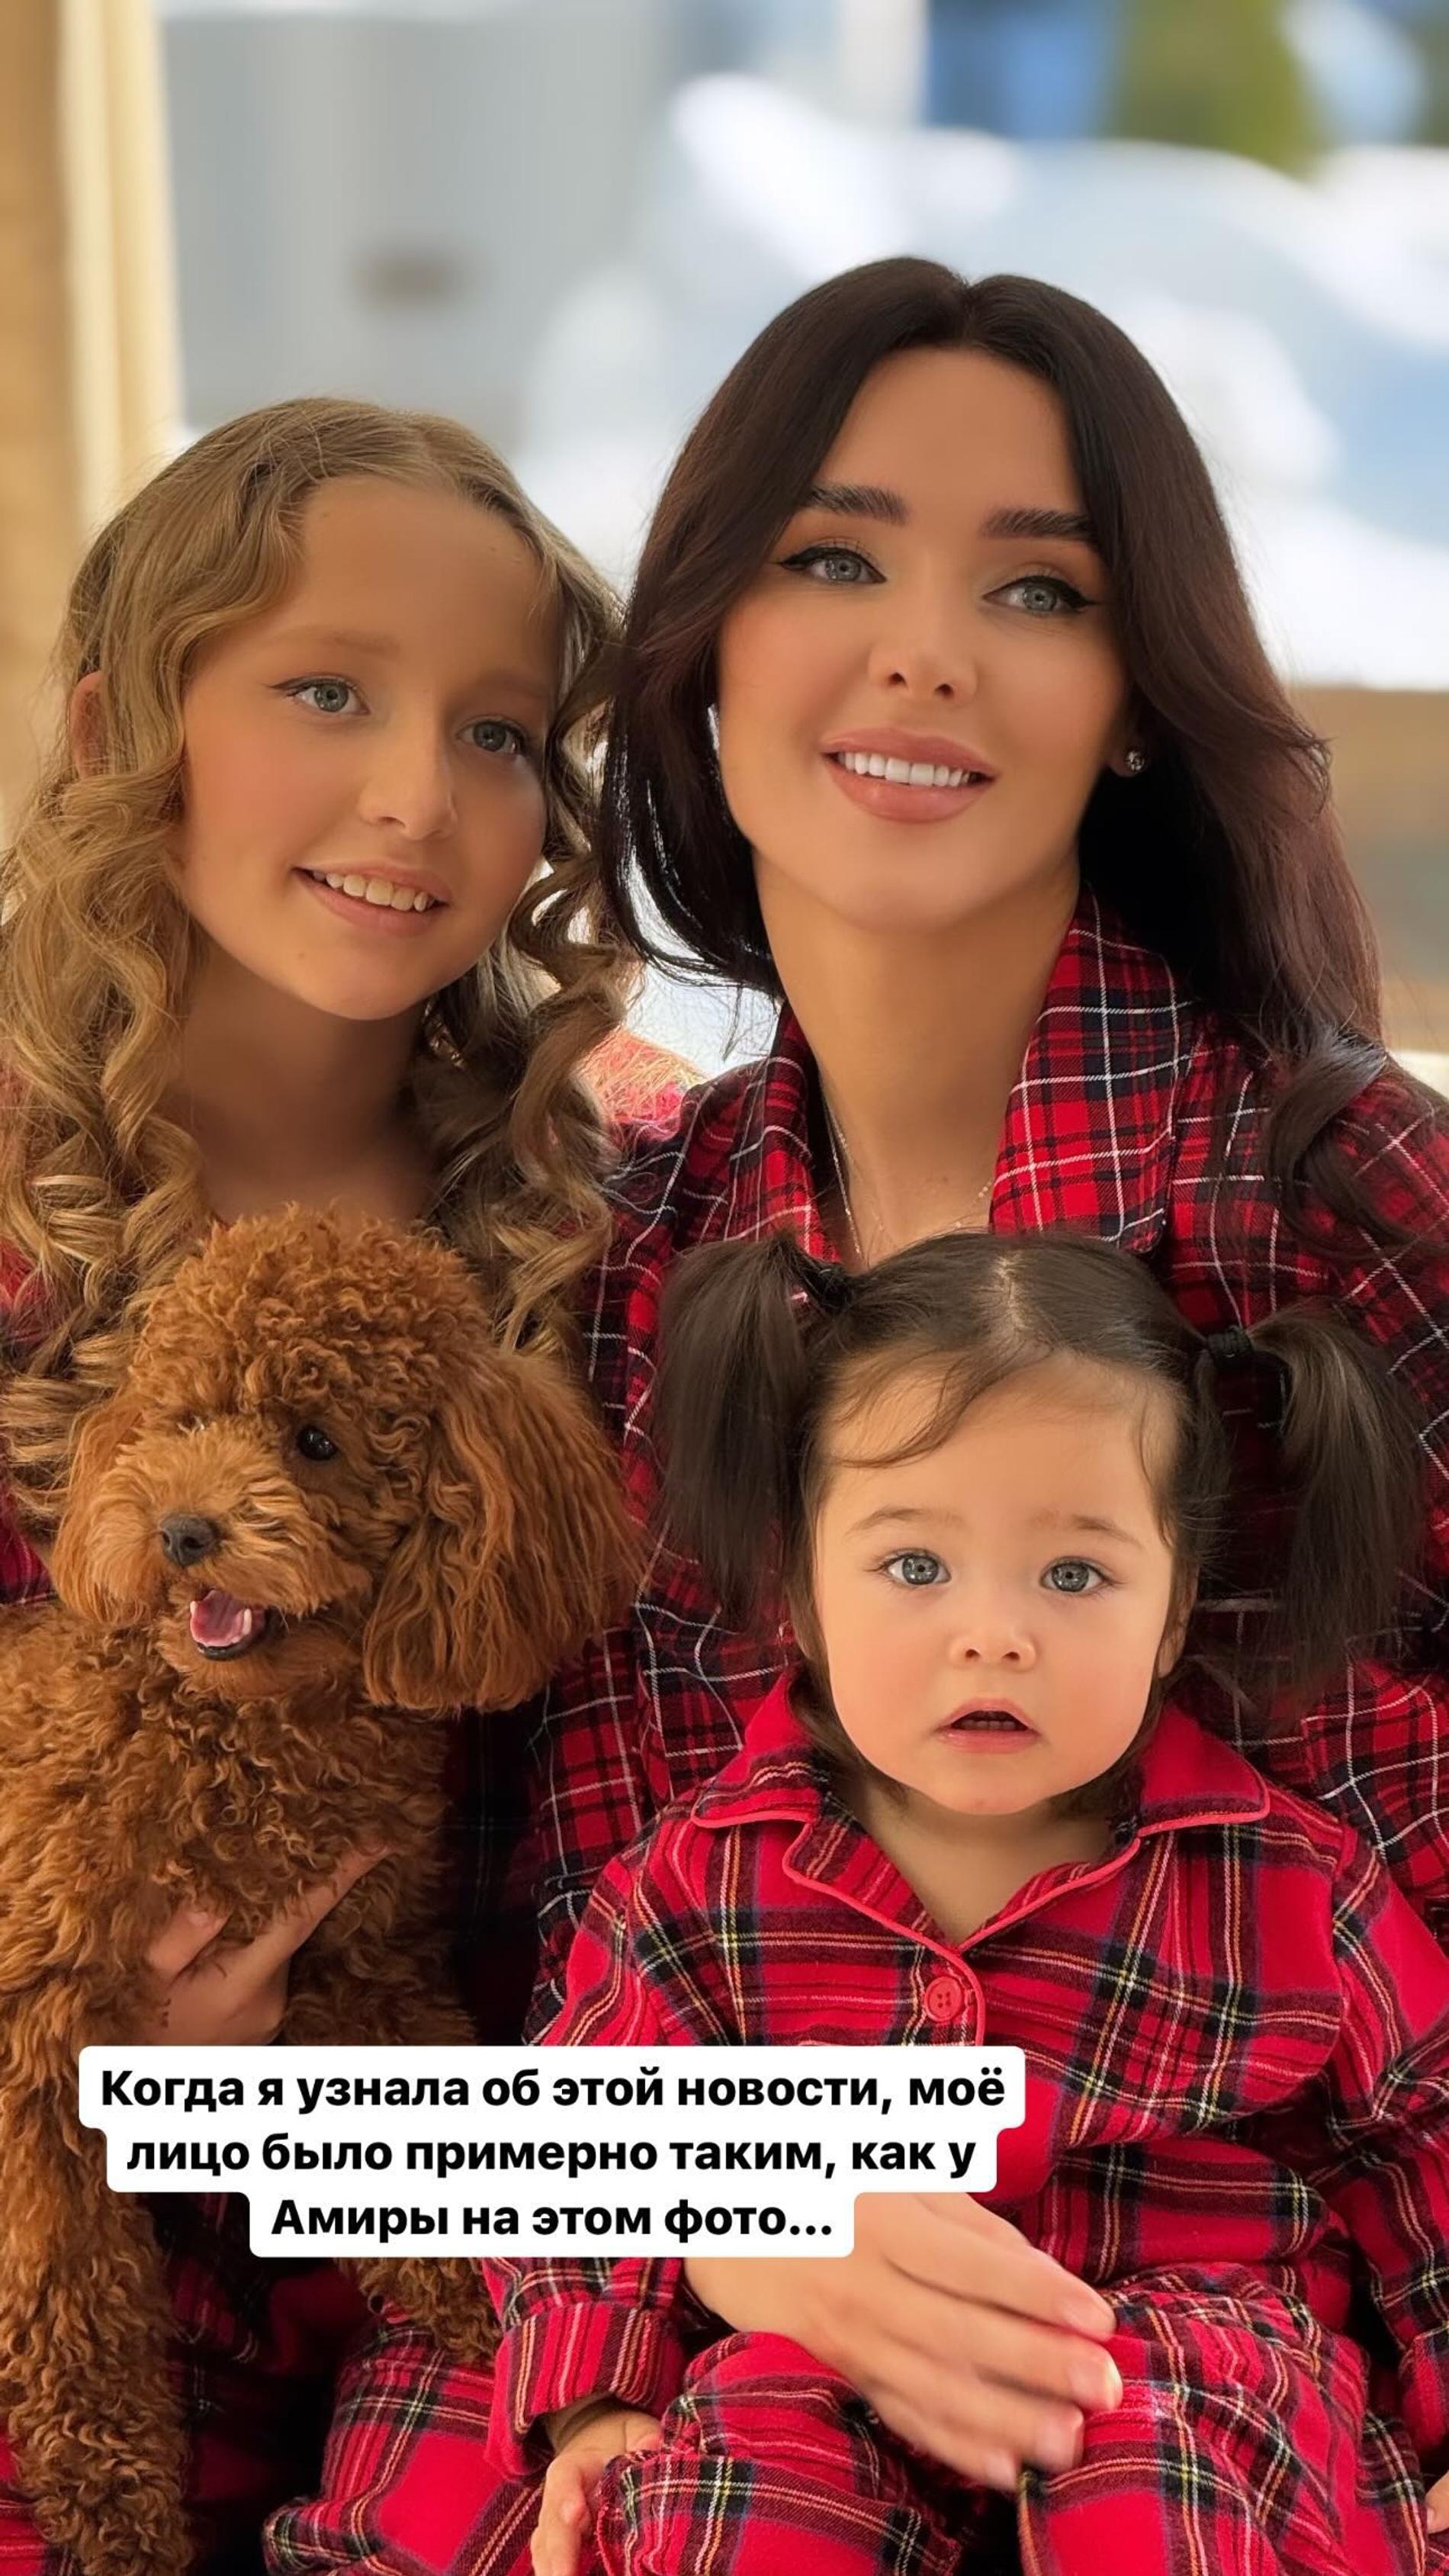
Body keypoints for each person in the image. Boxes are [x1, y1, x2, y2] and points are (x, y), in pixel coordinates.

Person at [278, 258, 1449, 2576]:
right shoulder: (612, 1264)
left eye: (1036, 588)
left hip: (1234, 2418)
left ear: (1135, 702)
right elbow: (486, 2016)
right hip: (700, 2390)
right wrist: (732, 2213)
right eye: (832, 560)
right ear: (700, 657)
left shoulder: (1344, 1207)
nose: (922, 650)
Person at [0, 394, 681, 2568]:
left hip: (477, 2265)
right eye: (325, 692)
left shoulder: (622, 1200)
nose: (417, 794)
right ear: (116, 729)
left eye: (498, 732)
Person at [499, 1224, 1449, 2574]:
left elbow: (1428, 2128)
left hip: (1181, 2359)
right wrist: (595, 2396)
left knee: (1157, 2475)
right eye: (914, 1566)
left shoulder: (1286, 1880)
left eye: (1075, 1575)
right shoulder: (694, 1882)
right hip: (824, 2356)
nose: (993, 1634)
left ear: (1175, 1615)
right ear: (802, 1594)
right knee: (732, 2488)